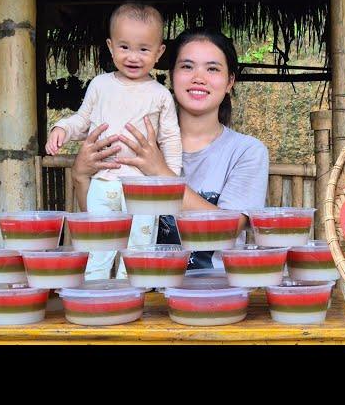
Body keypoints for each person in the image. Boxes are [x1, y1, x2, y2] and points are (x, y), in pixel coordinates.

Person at [71, 28, 269, 271]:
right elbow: (104, 227)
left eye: (213, 69)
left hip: (212, 295)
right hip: (144, 289)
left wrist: (160, 172)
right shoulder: (135, 143)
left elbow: (228, 229)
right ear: (171, 75)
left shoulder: (246, 151)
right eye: (187, 66)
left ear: (229, 82)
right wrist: (80, 176)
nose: (199, 77)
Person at [46, 2, 183, 278]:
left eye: (144, 49)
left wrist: (170, 182)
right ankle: (96, 298)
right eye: (124, 47)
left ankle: (131, 297)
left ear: (159, 52)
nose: (133, 56)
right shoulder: (100, 85)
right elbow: (82, 121)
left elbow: (170, 139)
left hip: (144, 189)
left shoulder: (160, 95)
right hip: (103, 183)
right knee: (98, 247)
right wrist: (61, 128)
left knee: (139, 250)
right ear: (110, 47)